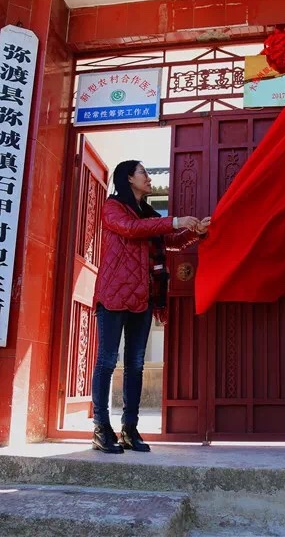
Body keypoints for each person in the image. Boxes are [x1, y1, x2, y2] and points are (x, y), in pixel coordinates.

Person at [91, 160, 209, 454]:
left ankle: (129, 429)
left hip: (143, 298)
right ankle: (101, 428)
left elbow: (171, 241)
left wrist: (196, 231)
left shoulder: (149, 214)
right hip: (113, 294)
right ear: (129, 178)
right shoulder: (113, 208)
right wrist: (176, 220)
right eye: (143, 172)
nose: (148, 177)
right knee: (107, 361)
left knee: (135, 365)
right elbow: (131, 229)